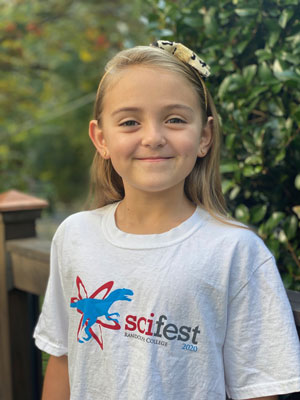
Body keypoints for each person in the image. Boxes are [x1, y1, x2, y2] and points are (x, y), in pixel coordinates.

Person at [34, 40, 300, 400]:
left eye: (174, 119)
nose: (153, 137)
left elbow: (259, 390)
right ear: (101, 138)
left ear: (204, 136)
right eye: (130, 122)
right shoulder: (73, 236)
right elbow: (63, 360)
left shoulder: (237, 253)